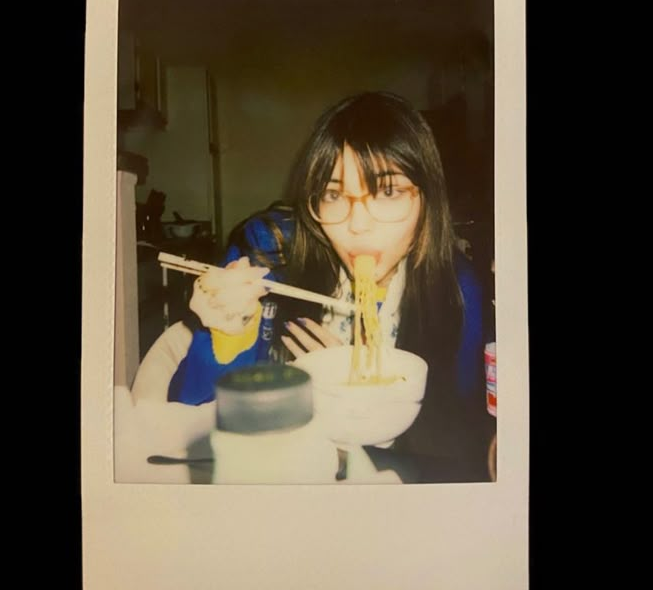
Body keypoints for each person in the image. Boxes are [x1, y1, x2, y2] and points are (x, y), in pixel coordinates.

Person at [167, 91, 491, 482]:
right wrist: (225, 333)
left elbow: (462, 440)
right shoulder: (269, 256)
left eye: (387, 192)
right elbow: (190, 419)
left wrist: (360, 399)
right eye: (335, 195)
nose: (357, 225)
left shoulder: (457, 290)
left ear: (428, 200)